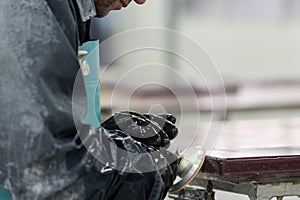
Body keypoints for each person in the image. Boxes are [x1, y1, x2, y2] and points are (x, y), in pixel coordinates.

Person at [0, 0, 178, 199]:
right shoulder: (29, 10)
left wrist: (107, 143)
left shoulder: (67, 12)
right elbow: (48, 175)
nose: (141, 0)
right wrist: (139, 175)